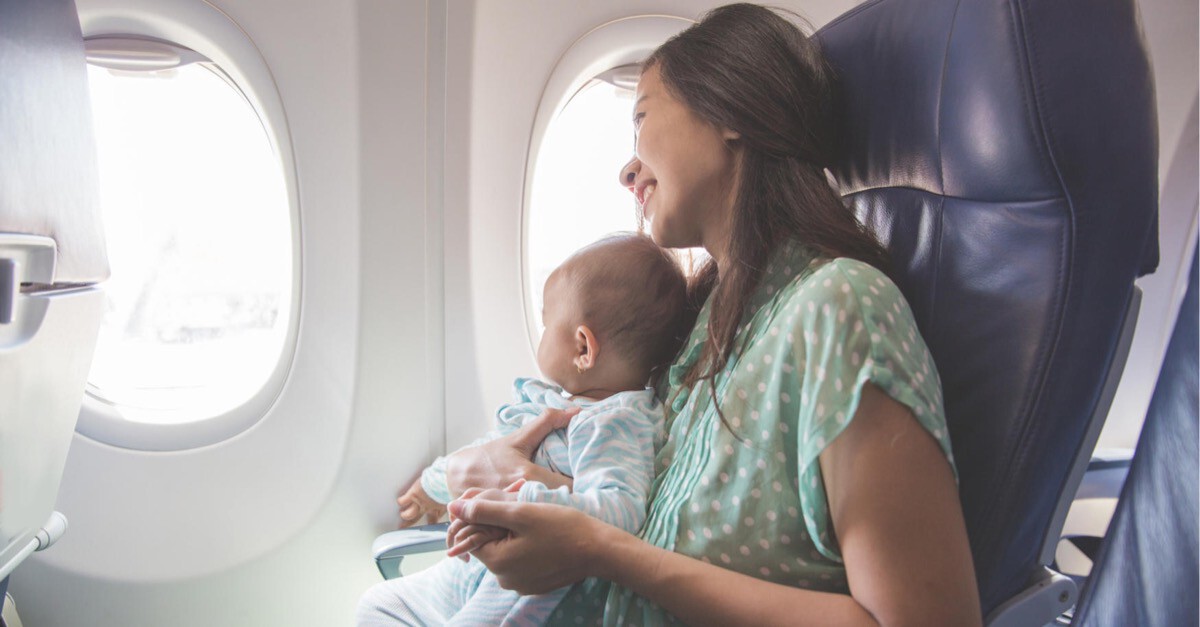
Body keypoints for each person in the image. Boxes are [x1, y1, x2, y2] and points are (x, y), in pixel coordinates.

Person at [438, 4, 984, 626]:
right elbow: (663, 518)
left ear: (729, 114)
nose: (628, 167)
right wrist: (517, 484)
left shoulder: (840, 311)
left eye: (641, 118)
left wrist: (602, 551)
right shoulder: (711, 326)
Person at [356, 233, 695, 625]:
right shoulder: (554, 402)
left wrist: (527, 499)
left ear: (582, 348)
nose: (542, 331)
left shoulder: (617, 423)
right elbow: (492, 449)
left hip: (528, 584)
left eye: (547, 321)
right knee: (378, 605)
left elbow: (619, 510)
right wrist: (434, 484)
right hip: (473, 567)